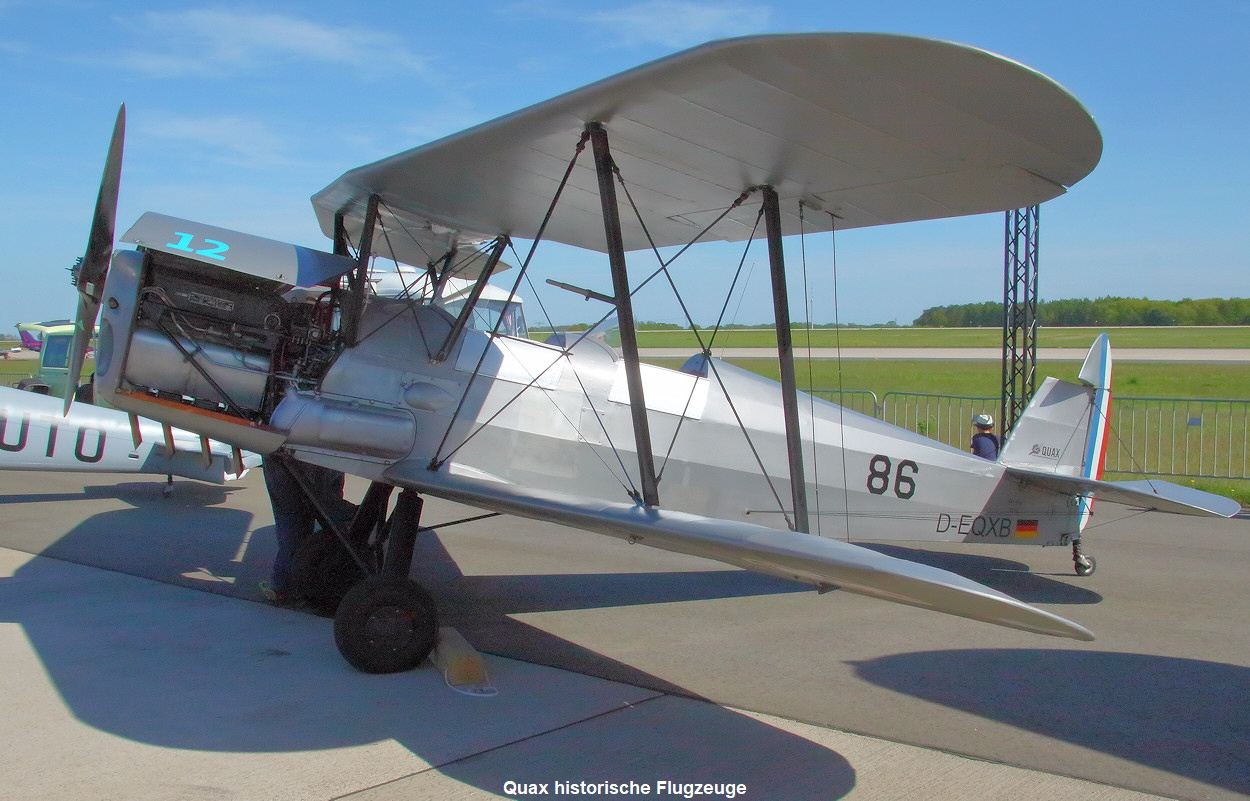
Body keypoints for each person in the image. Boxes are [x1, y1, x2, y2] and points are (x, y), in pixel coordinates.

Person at [259, 457, 352, 606]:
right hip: (329, 453)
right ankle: (332, 577)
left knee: (292, 520)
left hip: (291, 451)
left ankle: (285, 587)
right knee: (330, 516)